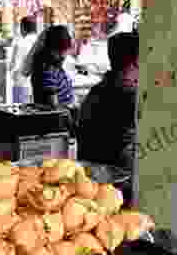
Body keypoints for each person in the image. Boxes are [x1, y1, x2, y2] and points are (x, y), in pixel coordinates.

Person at [78, 32, 138, 201]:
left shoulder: (98, 91)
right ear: (135, 63)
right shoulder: (128, 99)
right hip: (112, 191)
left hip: (91, 185)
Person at [22, 25, 76, 108]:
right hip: (59, 118)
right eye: (60, 51)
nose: (63, 56)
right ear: (50, 50)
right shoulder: (48, 72)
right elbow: (53, 106)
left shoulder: (55, 69)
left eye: (65, 51)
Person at [9, 16, 38, 104]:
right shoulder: (41, 42)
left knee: (21, 114)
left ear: (23, 28)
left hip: (22, 85)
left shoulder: (20, 44)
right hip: (38, 87)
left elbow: (15, 67)